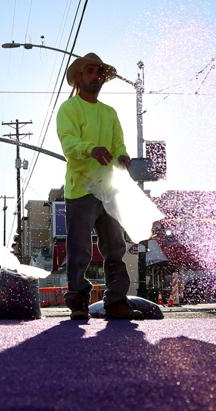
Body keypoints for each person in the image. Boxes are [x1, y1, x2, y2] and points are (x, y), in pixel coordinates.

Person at [56, 52, 144, 321]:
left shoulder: (109, 112)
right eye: (90, 71)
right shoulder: (69, 108)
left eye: (99, 73)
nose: (96, 77)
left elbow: (119, 142)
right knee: (79, 249)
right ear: (79, 77)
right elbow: (68, 142)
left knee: (115, 247)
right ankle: (78, 303)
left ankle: (116, 301)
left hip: (110, 189)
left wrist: (122, 155)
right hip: (81, 188)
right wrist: (90, 149)